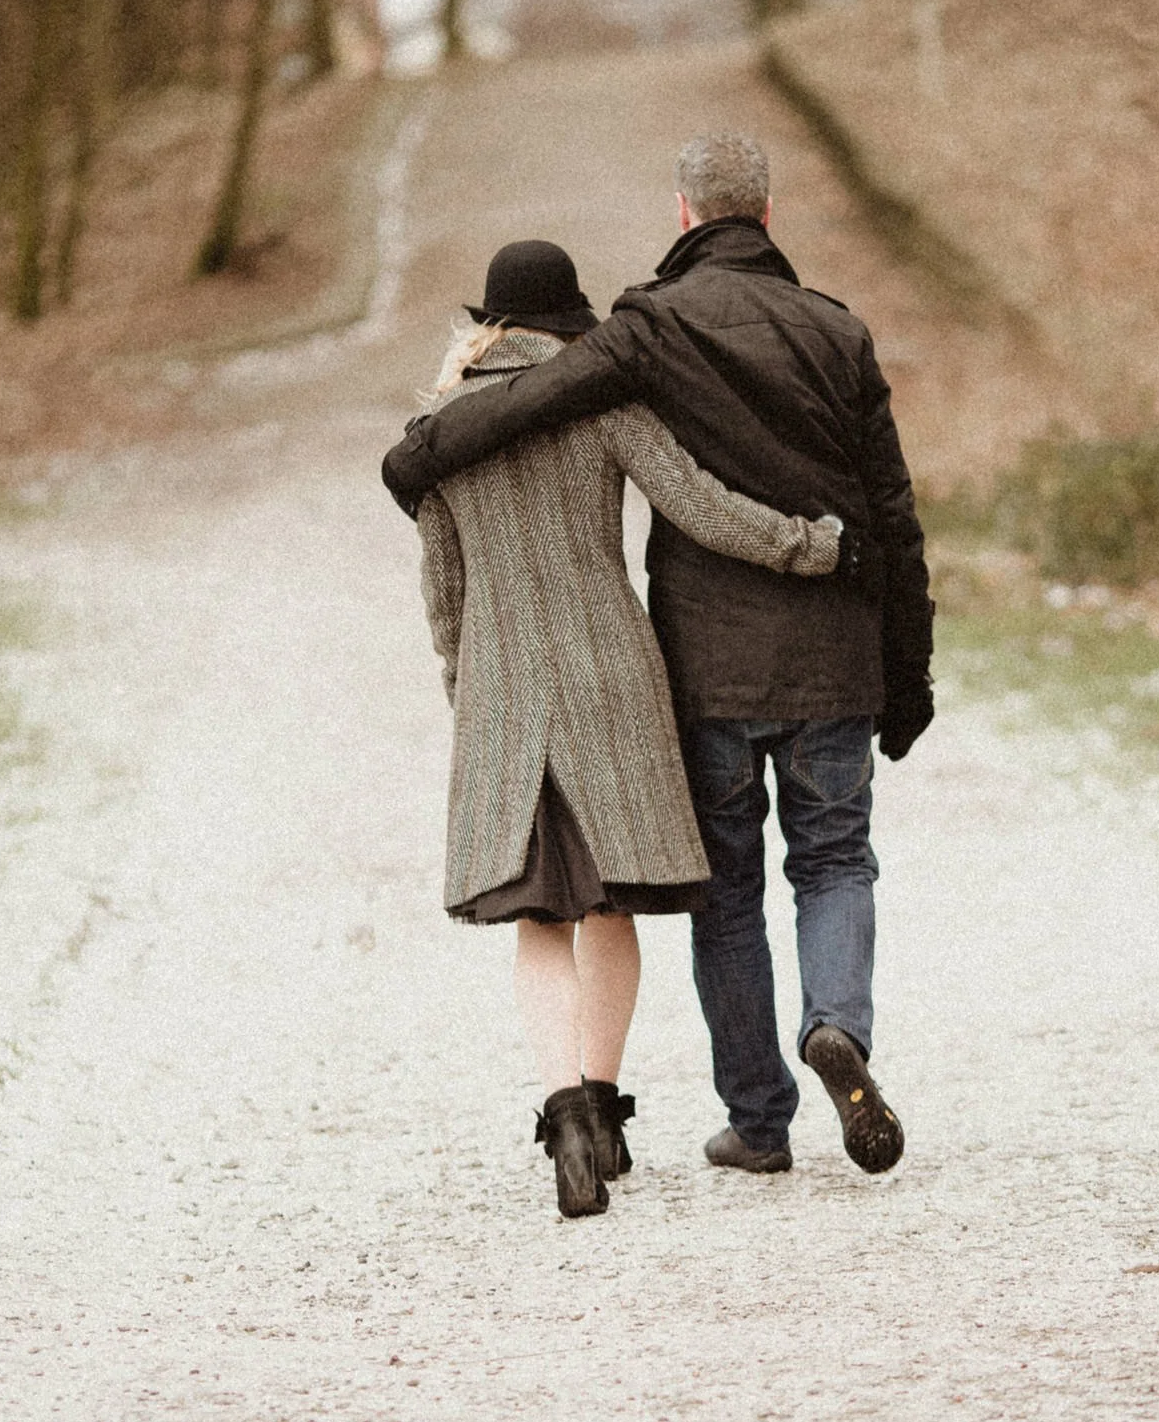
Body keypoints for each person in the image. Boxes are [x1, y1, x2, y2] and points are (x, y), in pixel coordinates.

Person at [384, 137, 934, 1180]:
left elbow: (452, 582)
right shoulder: (778, 349)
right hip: (724, 669)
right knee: (735, 881)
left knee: (649, 902)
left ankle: (668, 1121)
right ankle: (769, 1050)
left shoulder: (526, 392)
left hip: (609, 680)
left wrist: (468, 686)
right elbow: (779, 510)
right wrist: (843, 581)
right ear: (766, 215)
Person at [408, 238, 844, 1218]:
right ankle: (603, 1115)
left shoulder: (437, 428)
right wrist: (804, 545)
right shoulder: (598, 400)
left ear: (488, 323)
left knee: (540, 919)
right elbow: (696, 504)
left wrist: (461, 684)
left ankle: (562, 1111)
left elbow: (444, 591)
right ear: (569, 320)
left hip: (505, 687)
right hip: (612, 675)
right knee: (610, 909)